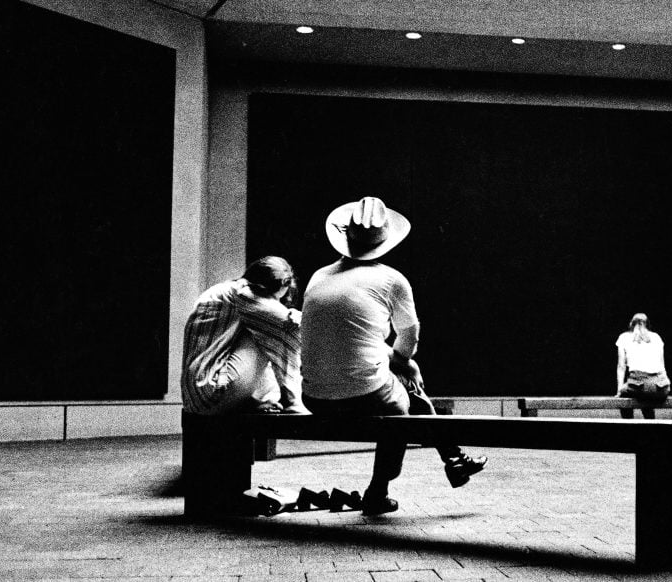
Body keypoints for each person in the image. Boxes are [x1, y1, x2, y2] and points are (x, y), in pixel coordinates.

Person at [300, 196, 487, 516]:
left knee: (402, 390)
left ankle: (453, 458)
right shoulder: (390, 279)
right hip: (361, 395)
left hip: (313, 396)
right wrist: (405, 362)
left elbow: (341, 337)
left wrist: (398, 362)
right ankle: (380, 491)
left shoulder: (319, 277)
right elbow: (410, 333)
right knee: (402, 406)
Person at [181, 256, 309, 416]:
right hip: (213, 393)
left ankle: (265, 400)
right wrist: (297, 317)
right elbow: (292, 328)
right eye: (279, 295)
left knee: (264, 327)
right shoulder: (245, 293)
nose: (280, 300)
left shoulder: (227, 289)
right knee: (278, 331)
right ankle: (293, 401)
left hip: (196, 396)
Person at [615, 312, 671, 419]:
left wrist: (619, 389)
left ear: (631, 324)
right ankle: (650, 424)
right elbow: (662, 364)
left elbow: (621, 366)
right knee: (646, 394)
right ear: (648, 324)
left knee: (625, 395)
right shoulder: (656, 337)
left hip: (639, 385)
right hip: (660, 387)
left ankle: (628, 425)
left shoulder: (624, 337)